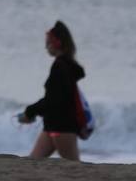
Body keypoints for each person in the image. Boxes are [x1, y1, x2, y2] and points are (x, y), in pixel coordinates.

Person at [18, 21, 86, 161]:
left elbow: (53, 100)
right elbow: (54, 99)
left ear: (57, 43)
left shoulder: (61, 67)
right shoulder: (64, 66)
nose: (46, 47)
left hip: (63, 127)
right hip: (51, 127)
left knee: (74, 165)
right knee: (33, 162)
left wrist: (30, 112)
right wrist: (32, 112)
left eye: (48, 43)